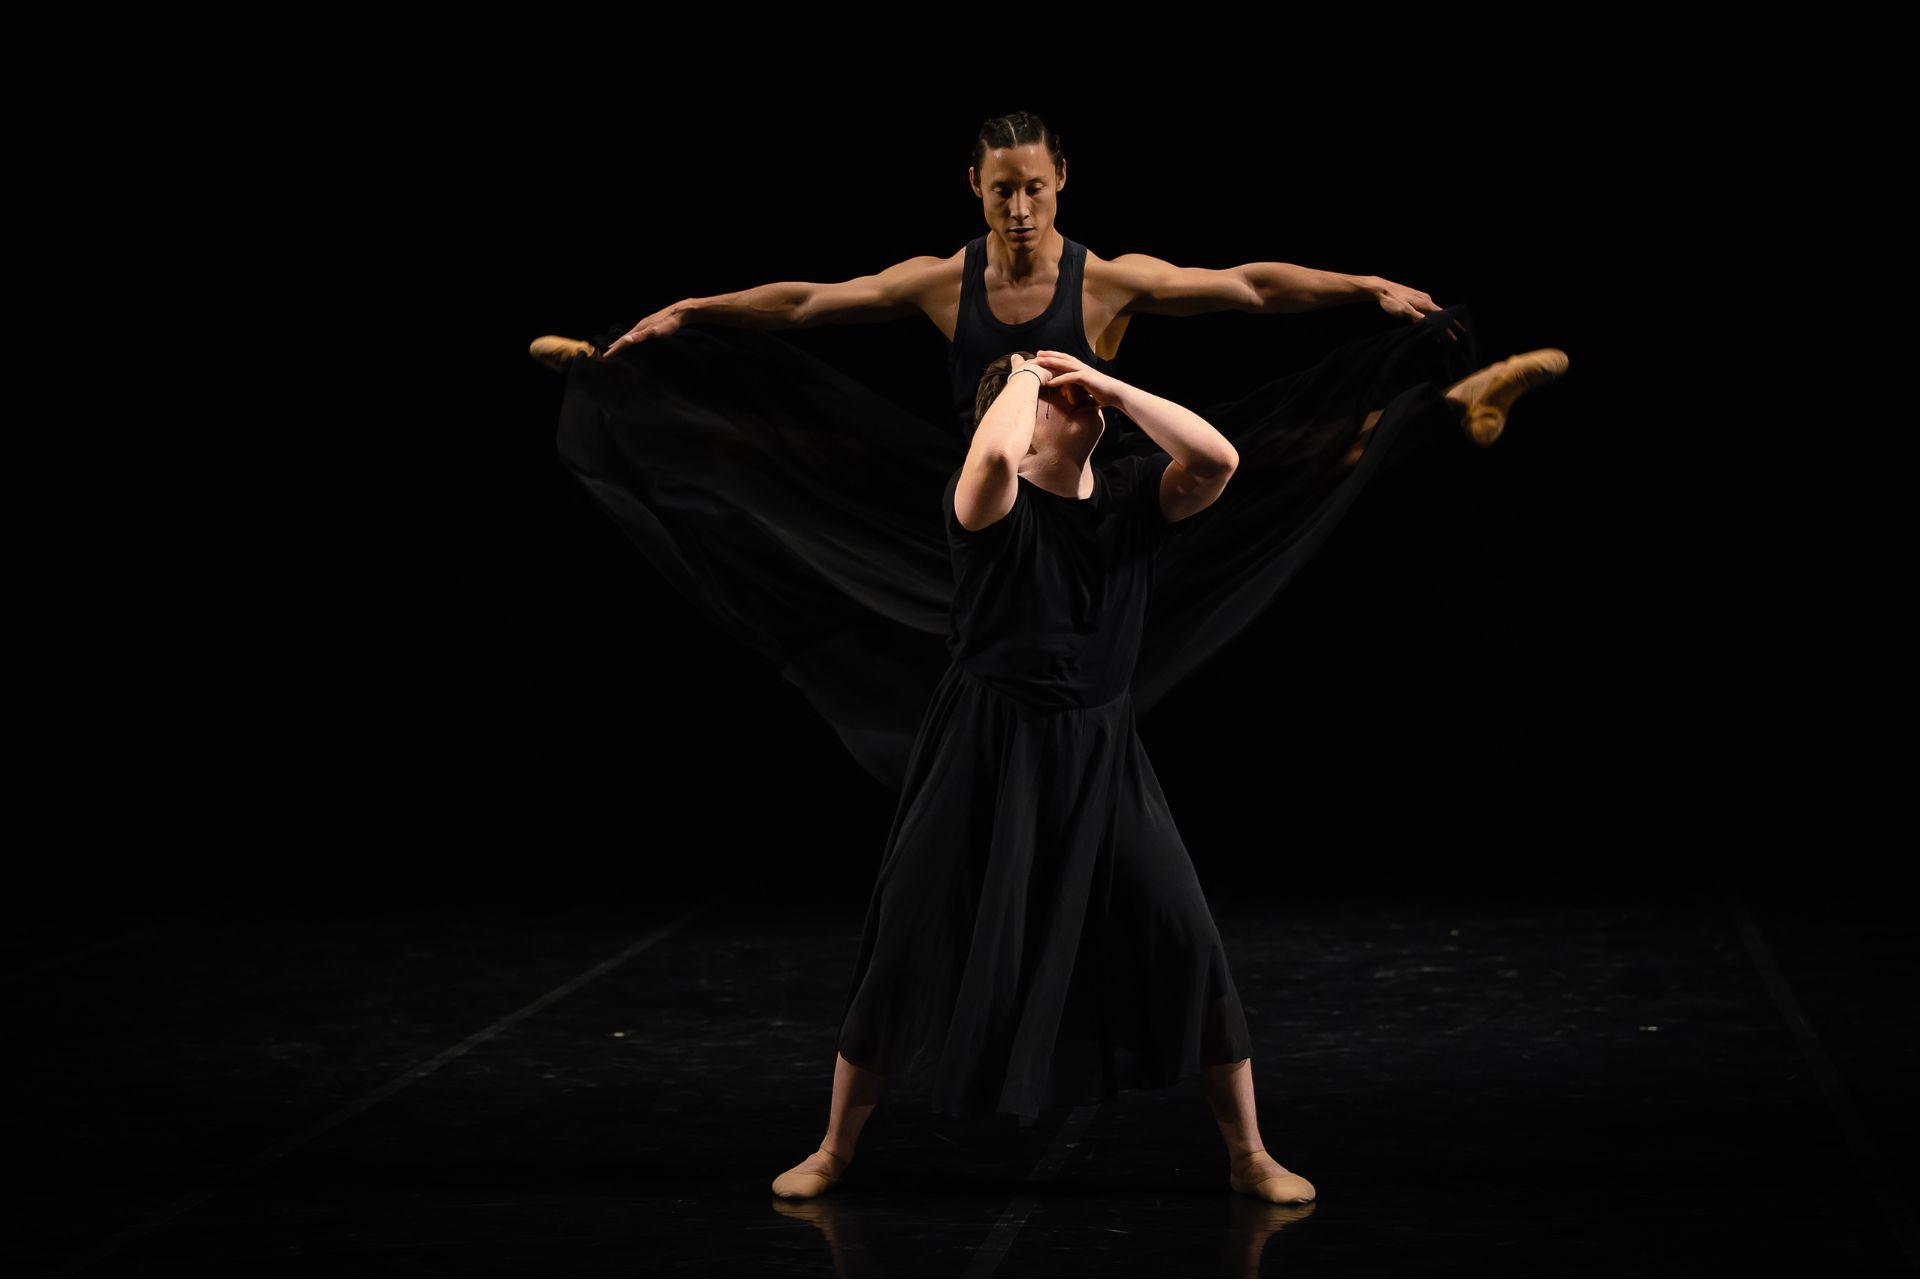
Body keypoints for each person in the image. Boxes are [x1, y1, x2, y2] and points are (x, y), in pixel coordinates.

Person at [531, 110, 1568, 791]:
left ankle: (1450, 404)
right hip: (989, 507)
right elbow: (809, 302)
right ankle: (616, 383)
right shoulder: (946, 279)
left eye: (1033, 187)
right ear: (974, 190)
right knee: (795, 453)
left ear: (1062, 180)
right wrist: (685, 310)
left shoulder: (1104, 278)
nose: (1019, 208)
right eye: (1000, 191)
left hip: (1097, 508)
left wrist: (1368, 288)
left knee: (1273, 462)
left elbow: (1248, 285)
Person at [767, 349, 1317, 1204]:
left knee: (1181, 929)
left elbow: (1217, 461)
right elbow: (989, 457)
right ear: (1023, 423)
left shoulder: (1134, 496)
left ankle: (1249, 1153)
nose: (1078, 397)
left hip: (1100, 750)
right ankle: (835, 1148)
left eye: (1076, 387)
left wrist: (1117, 390)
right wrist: (1023, 374)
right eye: (1062, 397)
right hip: (984, 744)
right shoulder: (991, 503)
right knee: (913, 926)